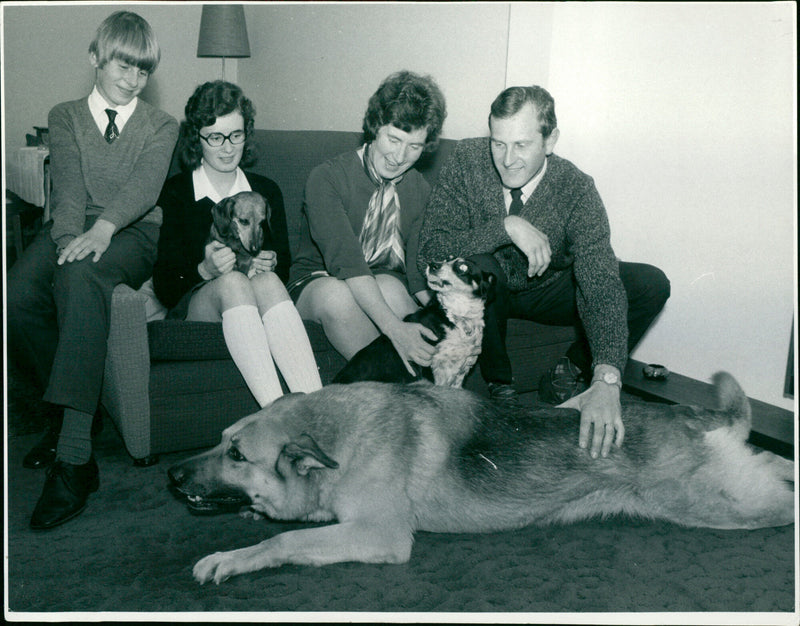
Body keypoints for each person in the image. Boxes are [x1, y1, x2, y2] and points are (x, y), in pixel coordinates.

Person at [417, 85, 670, 459]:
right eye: (498, 143)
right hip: (491, 287)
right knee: (484, 265)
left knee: (649, 282)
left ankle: (570, 369)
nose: (507, 159)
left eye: (521, 145)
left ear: (550, 140)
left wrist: (608, 377)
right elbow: (432, 250)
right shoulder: (466, 160)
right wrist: (506, 226)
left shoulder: (577, 189)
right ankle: (500, 391)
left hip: (548, 288)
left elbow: (599, 282)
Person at [6, 11, 179, 529]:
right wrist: (66, 242)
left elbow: (144, 188)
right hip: (70, 223)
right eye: (122, 66)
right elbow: (69, 189)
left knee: (81, 278)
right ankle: (66, 410)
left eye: (142, 72)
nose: (131, 81)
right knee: (16, 294)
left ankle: (75, 460)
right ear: (95, 59)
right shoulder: (65, 115)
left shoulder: (162, 124)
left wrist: (102, 232)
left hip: (133, 232)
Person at [152, 81, 322, 410]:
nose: (228, 148)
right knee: (233, 282)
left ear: (247, 134)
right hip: (195, 306)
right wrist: (203, 269)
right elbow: (164, 287)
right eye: (215, 137)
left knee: (268, 280)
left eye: (236, 135)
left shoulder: (265, 190)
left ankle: (314, 413)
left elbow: (285, 266)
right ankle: (277, 415)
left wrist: (270, 264)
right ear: (196, 138)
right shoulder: (175, 193)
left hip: (255, 300)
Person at [287, 71, 447, 374]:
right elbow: (347, 262)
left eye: (414, 146)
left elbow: (415, 271)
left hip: (382, 280)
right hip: (318, 282)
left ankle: (420, 391)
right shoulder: (326, 178)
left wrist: (447, 310)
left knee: (389, 285)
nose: (399, 156)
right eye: (394, 139)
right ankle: (398, 388)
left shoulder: (421, 189)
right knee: (338, 296)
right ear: (375, 127)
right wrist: (395, 330)